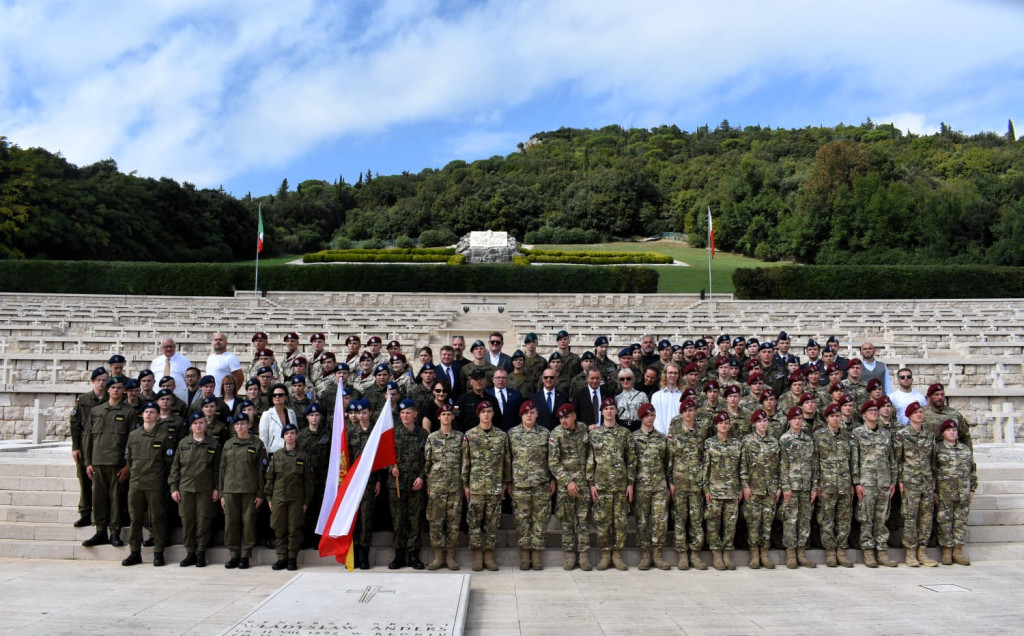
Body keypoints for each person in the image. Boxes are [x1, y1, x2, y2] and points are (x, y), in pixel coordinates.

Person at [81, 376, 135, 548]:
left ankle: (115, 532)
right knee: (99, 499)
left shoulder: (129, 412)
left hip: (117, 463)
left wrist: (128, 465)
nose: (116, 390)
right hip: (98, 461)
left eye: (120, 388)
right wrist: (88, 462)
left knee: (116, 499)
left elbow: (132, 441)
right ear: (108, 389)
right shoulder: (97, 411)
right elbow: (88, 437)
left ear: (123, 391)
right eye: (113, 387)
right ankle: (100, 531)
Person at [586, 398, 636, 571]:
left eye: (611, 408)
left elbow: (630, 460)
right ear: (601, 412)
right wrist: (591, 483)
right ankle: (605, 555)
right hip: (601, 485)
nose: (608, 411)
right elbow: (590, 460)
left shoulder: (625, 434)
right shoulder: (594, 435)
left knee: (620, 522)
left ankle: (617, 555)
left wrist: (630, 483)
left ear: (616, 411)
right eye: (605, 408)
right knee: (602, 521)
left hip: (620, 485)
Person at [461, 400, 511, 571]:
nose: (486, 414)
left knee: (492, 524)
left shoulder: (501, 436)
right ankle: (477, 555)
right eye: (483, 412)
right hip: (476, 487)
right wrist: (466, 486)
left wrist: (505, 483)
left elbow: (506, 462)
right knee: (474, 523)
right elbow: (465, 463)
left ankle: (489, 555)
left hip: (495, 487)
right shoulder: (470, 435)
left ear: (493, 414)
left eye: (489, 411)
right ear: (478, 414)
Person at [121, 401, 172, 566]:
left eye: (152, 412)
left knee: (157, 517)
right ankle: (135, 552)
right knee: (135, 518)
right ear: (142, 415)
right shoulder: (134, 435)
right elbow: (129, 459)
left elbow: (168, 463)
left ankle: (159, 552)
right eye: (146, 412)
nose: (148, 414)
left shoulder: (164, 436)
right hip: (136, 482)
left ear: (158, 415)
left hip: (155, 483)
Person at [851, 399, 898, 568]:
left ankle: (882, 552)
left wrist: (893, 480)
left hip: (884, 483)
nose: (874, 412)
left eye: (875, 410)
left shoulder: (885, 434)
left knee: (882, 518)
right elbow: (853, 459)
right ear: (863, 414)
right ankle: (868, 552)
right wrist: (856, 482)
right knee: (866, 519)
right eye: (870, 410)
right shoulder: (857, 434)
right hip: (866, 483)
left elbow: (891, 459)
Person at [169, 412, 220, 567]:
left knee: (203, 521)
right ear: (191, 426)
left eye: (201, 422)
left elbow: (218, 470)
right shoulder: (183, 444)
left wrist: (218, 488)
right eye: (195, 423)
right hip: (185, 489)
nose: (198, 426)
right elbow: (175, 468)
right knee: (187, 521)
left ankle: (200, 553)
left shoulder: (213, 444)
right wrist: (173, 488)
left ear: (206, 424)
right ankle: (190, 553)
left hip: (205, 489)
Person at [507, 400, 552, 570]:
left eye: (532, 412)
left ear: (537, 414)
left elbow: (551, 459)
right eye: (526, 413)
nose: (529, 415)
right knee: (522, 521)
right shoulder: (512, 434)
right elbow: (507, 460)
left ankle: (537, 556)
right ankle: (525, 556)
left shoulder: (545, 434)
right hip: (520, 485)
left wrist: (553, 479)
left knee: (540, 521)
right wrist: (508, 481)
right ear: (521, 415)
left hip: (541, 484)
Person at [218, 412, 267, 570]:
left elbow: (261, 471)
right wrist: (222, 493)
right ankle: (234, 555)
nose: (240, 427)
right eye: (237, 424)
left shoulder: (257, 444)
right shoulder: (228, 444)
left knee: (248, 523)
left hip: (249, 490)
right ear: (234, 427)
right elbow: (222, 470)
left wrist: (260, 493)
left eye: (243, 424)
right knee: (231, 523)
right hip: (230, 490)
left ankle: (245, 555)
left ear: (249, 425)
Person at [548, 403, 592, 571]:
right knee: (567, 521)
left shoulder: (583, 429)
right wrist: (567, 482)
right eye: (561, 418)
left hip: (583, 483)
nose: (563, 420)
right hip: (565, 485)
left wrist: (588, 478)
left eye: (566, 417)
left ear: (574, 416)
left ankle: (584, 556)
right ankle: (570, 555)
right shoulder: (556, 434)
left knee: (583, 520)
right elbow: (553, 462)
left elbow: (590, 453)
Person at [894, 402, 939, 567]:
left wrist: (933, 480)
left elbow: (932, 460)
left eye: (920, 412)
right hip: (910, 481)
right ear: (909, 415)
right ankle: (910, 552)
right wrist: (899, 480)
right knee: (910, 517)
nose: (919, 415)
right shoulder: (902, 435)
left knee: (926, 517)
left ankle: (922, 551)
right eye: (915, 412)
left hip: (926, 482)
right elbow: (898, 460)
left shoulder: (929, 435)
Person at [265, 422, 314, 571]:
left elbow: (308, 481)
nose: (290, 436)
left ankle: (292, 558)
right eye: (287, 434)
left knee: (294, 529)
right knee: (279, 529)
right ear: (283, 437)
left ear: (297, 435)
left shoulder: (303, 456)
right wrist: (268, 498)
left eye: (292, 433)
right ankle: (281, 558)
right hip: (278, 498)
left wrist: (306, 501)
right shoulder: (276, 456)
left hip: (296, 499)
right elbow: (269, 479)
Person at [667, 399, 708, 570]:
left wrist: (704, 483)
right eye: (685, 410)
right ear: (682, 413)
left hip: (697, 482)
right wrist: (670, 482)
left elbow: (705, 459)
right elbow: (669, 459)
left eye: (691, 410)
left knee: (696, 519)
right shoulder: (675, 432)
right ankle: (682, 554)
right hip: (680, 481)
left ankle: (695, 554)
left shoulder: (702, 432)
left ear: (695, 412)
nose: (688, 413)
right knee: (680, 518)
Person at [388, 399, 428, 570]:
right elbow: (384, 456)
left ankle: (413, 555)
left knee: (415, 520)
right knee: (398, 520)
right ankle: (398, 555)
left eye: (408, 413)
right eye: (402, 413)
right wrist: (391, 468)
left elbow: (428, 459)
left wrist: (422, 477)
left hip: (415, 484)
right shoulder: (392, 433)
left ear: (415, 414)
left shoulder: (423, 434)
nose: (405, 416)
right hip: (397, 483)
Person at [814, 404, 855, 567]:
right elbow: (814, 462)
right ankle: (830, 552)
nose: (835, 418)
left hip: (844, 485)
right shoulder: (819, 436)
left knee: (844, 520)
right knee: (827, 520)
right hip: (826, 485)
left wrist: (854, 482)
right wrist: (816, 484)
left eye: (837, 416)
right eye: (832, 416)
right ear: (826, 418)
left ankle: (841, 551)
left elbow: (853, 461)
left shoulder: (847, 437)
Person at [740, 409, 781, 569]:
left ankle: (764, 553)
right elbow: (743, 465)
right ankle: (754, 554)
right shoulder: (747, 441)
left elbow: (778, 466)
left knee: (767, 522)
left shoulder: (774, 442)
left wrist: (778, 487)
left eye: (765, 421)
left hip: (770, 489)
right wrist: (745, 485)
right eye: (759, 421)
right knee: (753, 522)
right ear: (754, 423)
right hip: (754, 489)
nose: (763, 424)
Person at [424, 403, 463, 570]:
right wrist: (428, 483)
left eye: (449, 414)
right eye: (443, 414)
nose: (446, 417)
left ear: (453, 417)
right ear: (438, 417)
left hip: (455, 487)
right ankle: (438, 556)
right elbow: (427, 463)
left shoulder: (460, 437)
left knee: (453, 523)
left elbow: (464, 462)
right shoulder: (432, 438)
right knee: (436, 522)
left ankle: (451, 556)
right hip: (437, 488)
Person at [632, 402, 671, 570]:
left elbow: (667, 463)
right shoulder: (633, 438)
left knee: (660, 520)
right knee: (642, 521)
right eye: (647, 415)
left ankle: (657, 553)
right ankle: (644, 554)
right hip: (641, 486)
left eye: (652, 415)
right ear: (641, 417)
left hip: (659, 486)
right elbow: (630, 464)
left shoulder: (662, 438)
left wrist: (669, 484)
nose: (650, 418)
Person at [933, 420, 977, 566]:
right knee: (945, 521)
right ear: (943, 433)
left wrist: (972, 488)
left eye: (954, 430)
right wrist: (933, 490)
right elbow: (933, 470)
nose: (952, 432)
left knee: (960, 522)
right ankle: (946, 550)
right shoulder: (938, 449)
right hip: (945, 492)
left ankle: (958, 551)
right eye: (948, 430)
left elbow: (971, 470)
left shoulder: (965, 449)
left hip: (962, 491)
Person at [779, 406, 818, 569]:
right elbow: (782, 465)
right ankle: (791, 553)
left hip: (806, 486)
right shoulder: (785, 439)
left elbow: (814, 465)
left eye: (800, 418)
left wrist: (814, 486)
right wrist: (786, 486)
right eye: (794, 418)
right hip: (792, 487)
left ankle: (801, 553)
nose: (797, 421)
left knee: (804, 520)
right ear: (789, 420)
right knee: (790, 520)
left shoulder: (808, 440)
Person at [703, 411, 742, 570]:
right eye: (720, 423)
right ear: (716, 425)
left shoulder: (737, 444)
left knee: (730, 525)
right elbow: (705, 467)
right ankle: (717, 555)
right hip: (715, 490)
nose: (724, 425)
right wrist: (706, 488)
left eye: (726, 422)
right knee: (713, 524)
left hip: (732, 490)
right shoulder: (709, 443)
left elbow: (741, 468)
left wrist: (741, 487)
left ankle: (727, 554)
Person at [70, 367, 107, 529]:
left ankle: (103, 514)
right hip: (85, 444)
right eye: (98, 380)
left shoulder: (111, 399)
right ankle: (85, 513)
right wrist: (75, 446)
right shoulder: (83, 400)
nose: (101, 383)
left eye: (105, 380)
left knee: (102, 483)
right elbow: (75, 424)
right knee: (84, 481)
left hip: (104, 445)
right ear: (93, 381)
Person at [346, 399, 381, 570]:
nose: (361, 416)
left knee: (366, 518)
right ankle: (353, 554)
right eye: (359, 413)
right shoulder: (350, 432)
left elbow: (380, 458)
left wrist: (379, 480)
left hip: (369, 481)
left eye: (364, 413)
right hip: (352, 483)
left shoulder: (376, 432)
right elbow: (344, 458)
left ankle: (364, 555)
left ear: (370, 413)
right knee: (353, 519)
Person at [297, 403, 331, 549]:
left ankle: (318, 539)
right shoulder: (301, 435)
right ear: (307, 417)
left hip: (322, 478)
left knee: (320, 509)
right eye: (311, 415)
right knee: (306, 508)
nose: (314, 418)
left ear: (321, 417)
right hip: (305, 479)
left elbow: (331, 456)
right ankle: (306, 538)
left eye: (317, 415)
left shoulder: (327, 434)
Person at [922, 383, 974, 449]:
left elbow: (965, 437)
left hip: (948, 455)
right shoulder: (921, 413)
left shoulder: (954, 414)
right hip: (928, 454)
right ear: (929, 397)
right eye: (936, 395)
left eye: (942, 394)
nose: (940, 397)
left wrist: (968, 455)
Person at [259, 384, 295, 456]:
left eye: (280, 395)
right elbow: (263, 438)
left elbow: (295, 432)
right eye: (274, 395)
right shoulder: (267, 414)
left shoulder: (291, 413)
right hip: (273, 452)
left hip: (290, 452)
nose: (277, 397)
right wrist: (264, 456)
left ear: (286, 397)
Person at [206, 332, 244, 396]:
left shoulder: (230, 358)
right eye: (216, 340)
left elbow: (240, 378)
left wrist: (231, 393)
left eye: (220, 340)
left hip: (223, 397)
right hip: (210, 396)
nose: (218, 341)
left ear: (226, 343)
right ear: (212, 342)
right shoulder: (210, 358)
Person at [650, 363, 683, 435]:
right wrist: (662, 435)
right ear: (665, 374)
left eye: (675, 373)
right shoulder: (656, 396)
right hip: (661, 437)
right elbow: (656, 418)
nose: (673, 375)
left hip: (679, 437)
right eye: (670, 373)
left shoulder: (683, 396)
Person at [486, 368, 523, 432]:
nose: (501, 380)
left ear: (507, 380)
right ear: (493, 380)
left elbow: (520, 414)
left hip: (512, 431)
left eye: (504, 378)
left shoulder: (516, 394)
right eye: (498, 377)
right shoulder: (486, 394)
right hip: (492, 431)